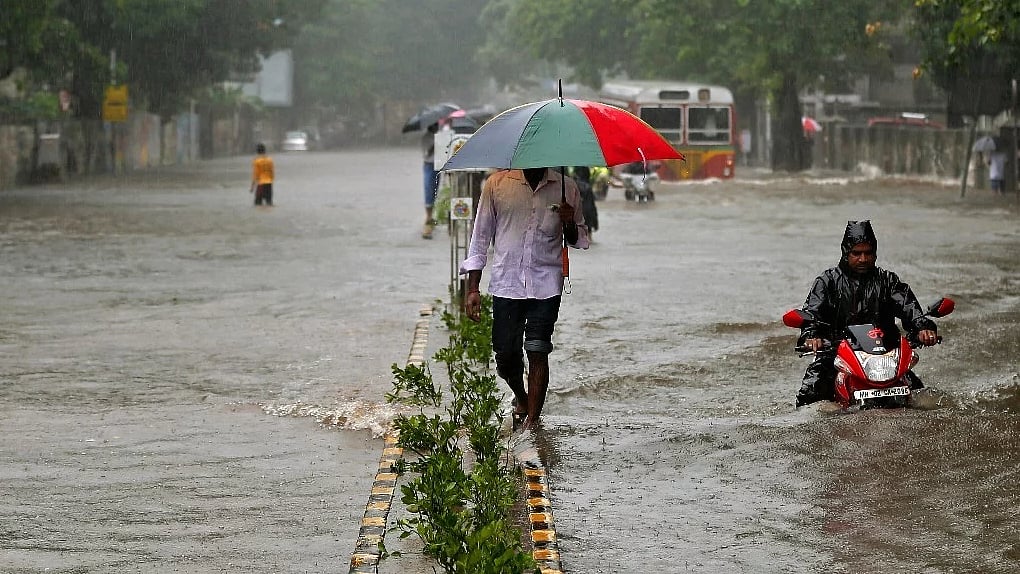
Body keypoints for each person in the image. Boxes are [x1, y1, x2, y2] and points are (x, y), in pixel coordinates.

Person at [460, 167, 590, 430]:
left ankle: (532, 423)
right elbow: (480, 237)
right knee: (505, 356)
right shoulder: (496, 185)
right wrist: (473, 288)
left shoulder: (566, 188)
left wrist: (568, 222)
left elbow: (579, 239)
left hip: (547, 283)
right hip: (507, 283)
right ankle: (521, 397)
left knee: (538, 349)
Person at [795, 220, 939, 407]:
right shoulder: (827, 282)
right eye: (856, 253)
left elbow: (909, 307)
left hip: (884, 357)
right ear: (846, 253)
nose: (863, 259)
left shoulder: (888, 281)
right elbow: (812, 314)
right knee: (811, 392)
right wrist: (811, 336)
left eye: (868, 253)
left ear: (875, 253)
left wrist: (923, 328)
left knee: (922, 398)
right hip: (837, 354)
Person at [421, 123, 439, 239]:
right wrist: (436, 143)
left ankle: (431, 218)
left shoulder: (439, 135)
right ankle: (428, 218)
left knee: (435, 191)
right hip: (429, 165)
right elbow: (427, 152)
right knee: (429, 189)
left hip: (437, 165)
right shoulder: (426, 137)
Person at [572, 167, 599, 239]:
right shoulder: (588, 187)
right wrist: (595, 223)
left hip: (576, 214)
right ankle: (589, 237)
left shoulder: (572, 186)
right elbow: (592, 207)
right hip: (587, 213)